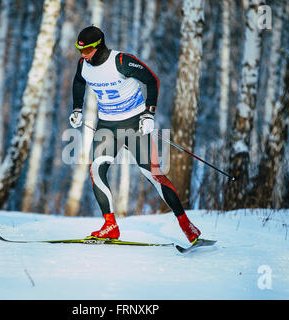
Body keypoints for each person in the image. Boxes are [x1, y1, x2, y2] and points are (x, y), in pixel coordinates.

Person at [69, 26, 201, 244]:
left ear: (99, 45)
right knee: (96, 169)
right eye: (80, 51)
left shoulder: (121, 61)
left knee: (154, 175)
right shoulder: (84, 64)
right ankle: (110, 224)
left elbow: (152, 80)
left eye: (87, 51)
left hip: (135, 124)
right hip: (107, 125)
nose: (83, 56)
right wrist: (76, 109)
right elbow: (79, 81)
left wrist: (149, 114)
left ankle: (188, 227)